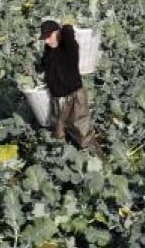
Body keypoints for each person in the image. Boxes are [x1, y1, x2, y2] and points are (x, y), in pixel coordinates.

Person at [36, 20, 102, 155]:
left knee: (82, 130)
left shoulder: (69, 48)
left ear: (57, 33)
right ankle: (66, 157)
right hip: (58, 99)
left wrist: (65, 26)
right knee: (59, 132)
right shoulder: (49, 50)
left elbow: (68, 34)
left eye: (49, 37)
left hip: (74, 95)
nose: (47, 41)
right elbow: (45, 64)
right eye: (45, 38)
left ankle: (96, 159)